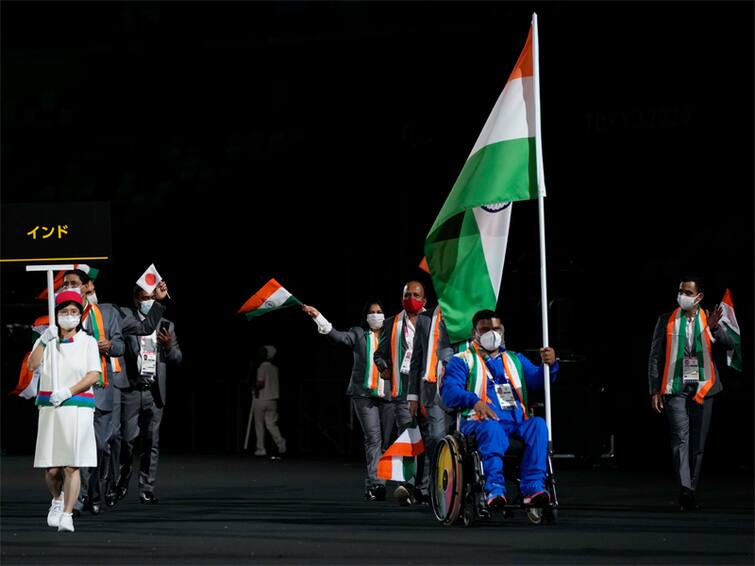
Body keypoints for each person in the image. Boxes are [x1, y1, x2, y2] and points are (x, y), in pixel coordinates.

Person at [440, 309, 558, 509]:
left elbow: (538, 380)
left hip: (515, 423)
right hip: (479, 423)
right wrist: (474, 401)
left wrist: (550, 364)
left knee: (538, 425)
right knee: (492, 428)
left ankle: (533, 489)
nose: (491, 333)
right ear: (474, 332)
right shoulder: (462, 360)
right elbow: (449, 392)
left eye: (495, 328)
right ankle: (494, 488)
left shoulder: (514, 359)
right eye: (485, 329)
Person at [648, 276, 734, 512]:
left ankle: (692, 489)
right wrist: (654, 389)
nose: (682, 296)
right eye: (680, 291)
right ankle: (685, 489)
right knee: (680, 439)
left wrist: (716, 328)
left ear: (699, 296)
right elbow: (655, 357)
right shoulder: (666, 320)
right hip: (674, 386)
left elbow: (729, 344)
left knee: (698, 443)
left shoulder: (710, 318)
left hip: (704, 387)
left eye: (687, 292)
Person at [302, 301, 396, 501]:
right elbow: (336, 336)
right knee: (373, 439)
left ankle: (374, 483)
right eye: (371, 312)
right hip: (363, 394)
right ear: (365, 316)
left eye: (379, 312)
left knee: (386, 442)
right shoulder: (358, 333)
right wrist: (318, 316)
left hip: (388, 395)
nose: (376, 315)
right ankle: (377, 485)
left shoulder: (393, 336)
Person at [28, 290, 102, 533]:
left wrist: (68, 391)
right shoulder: (47, 341)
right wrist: (42, 340)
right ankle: (57, 500)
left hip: (77, 407)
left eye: (73, 312)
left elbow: (93, 374)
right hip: (51, 408)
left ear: (80, 315)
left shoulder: (88, 342)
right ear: (57, 315)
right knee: (52, 468)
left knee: (72, 465)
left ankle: (68, 514)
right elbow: (32, 365)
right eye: (64, 312)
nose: (69, 316)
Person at [59, 269, 124, 517]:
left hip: (101, 388)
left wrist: (109, 345)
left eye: (74, 283)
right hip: (74, 389)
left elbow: (120, 345)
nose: (70, 288)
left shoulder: (106, 313)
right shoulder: (63, 314)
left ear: (88, 286)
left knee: (98, 447)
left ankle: (94, 492)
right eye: (66, 284)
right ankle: (79, 497)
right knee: (76, 448)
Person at [116, 285, 182, 504]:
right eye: (145, 298)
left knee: (151, 442)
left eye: (152, 298)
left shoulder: (166, 325)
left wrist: (169, 345)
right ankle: (121, 481)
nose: (149, 302)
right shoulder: (127, 319)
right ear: (136, 300)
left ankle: (147, 488)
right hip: (132, 391)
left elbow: (177, 358)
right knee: (127, 440)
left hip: (154, 392)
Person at [373, 280, 433, 505]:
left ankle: (425, 488)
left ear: (424, 300)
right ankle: (409, 485)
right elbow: (378, 354)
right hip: (402, 391)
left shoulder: (434, 322)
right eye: (408, 295)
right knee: (409, 439)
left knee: (428, 441)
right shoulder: (392, 324)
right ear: (401, 299)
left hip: (428, 391)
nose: (412, 299)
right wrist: (383, 367)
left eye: (416, 295)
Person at [252, 345, 287, 457]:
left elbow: (260, 383)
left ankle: (261, 448)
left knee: (259, 424)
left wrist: (255, 388)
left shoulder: (262, 367)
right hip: (273, 399)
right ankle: (280, 441)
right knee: (271, 424)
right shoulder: (275, 368)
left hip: (262, 398)